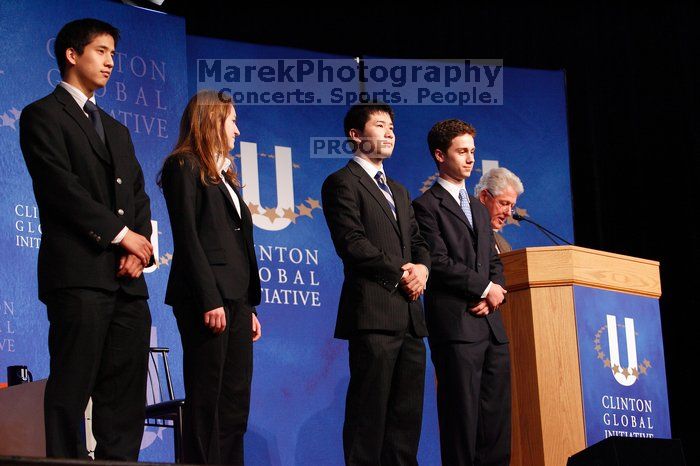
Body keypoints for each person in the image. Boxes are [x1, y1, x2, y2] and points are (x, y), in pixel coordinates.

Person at [19, 18, 154, 460]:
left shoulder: (117, 128)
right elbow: (60, 189)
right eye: (101, 51)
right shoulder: (42, 114)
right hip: (79, 273)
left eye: (113, 53)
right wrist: (121, 237)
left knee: (126, 394)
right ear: (72, 55)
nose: (111, 61)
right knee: (71, 388)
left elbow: (137, 194)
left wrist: (139, 248)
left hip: (127, 282)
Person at [321, 102, 431, 466]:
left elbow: (418, 241)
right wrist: (402, 275)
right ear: (356, 135)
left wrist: (423, 269)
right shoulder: (341, 183)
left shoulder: (399, 191)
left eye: (392, 128)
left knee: (406, 422)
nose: (389, 133)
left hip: (411, 319)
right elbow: (352, 244)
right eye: (380, 125)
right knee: (368, 419)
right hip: (373, 313)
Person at [158, 90, 262, 465]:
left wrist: (247, 305)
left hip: (236, 300)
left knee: (235, 402)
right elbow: (188, 237)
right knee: (207, 399)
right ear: (212, 120)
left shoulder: (225, 176)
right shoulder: (183, 166)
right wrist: (210, 299)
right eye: (232, 120)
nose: (237, 129)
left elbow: (237, 246)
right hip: (207, 299)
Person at [413, 119, 510, 466]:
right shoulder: (425, 206)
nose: (470, 159)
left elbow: (493, 260)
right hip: (456, 328)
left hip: (492, 331)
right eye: (461, 151)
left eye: (472, 151)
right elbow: (436, 262)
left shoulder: (479, 210)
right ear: (440, 155)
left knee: (496, 428)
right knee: (461, 424)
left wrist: (495, 290)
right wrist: (483, 288)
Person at [474, 167, 524, 253]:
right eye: (504, 203)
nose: (508, 213)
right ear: (484, 197)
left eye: (511, 206)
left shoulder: (505, 246)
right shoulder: (462, 233)